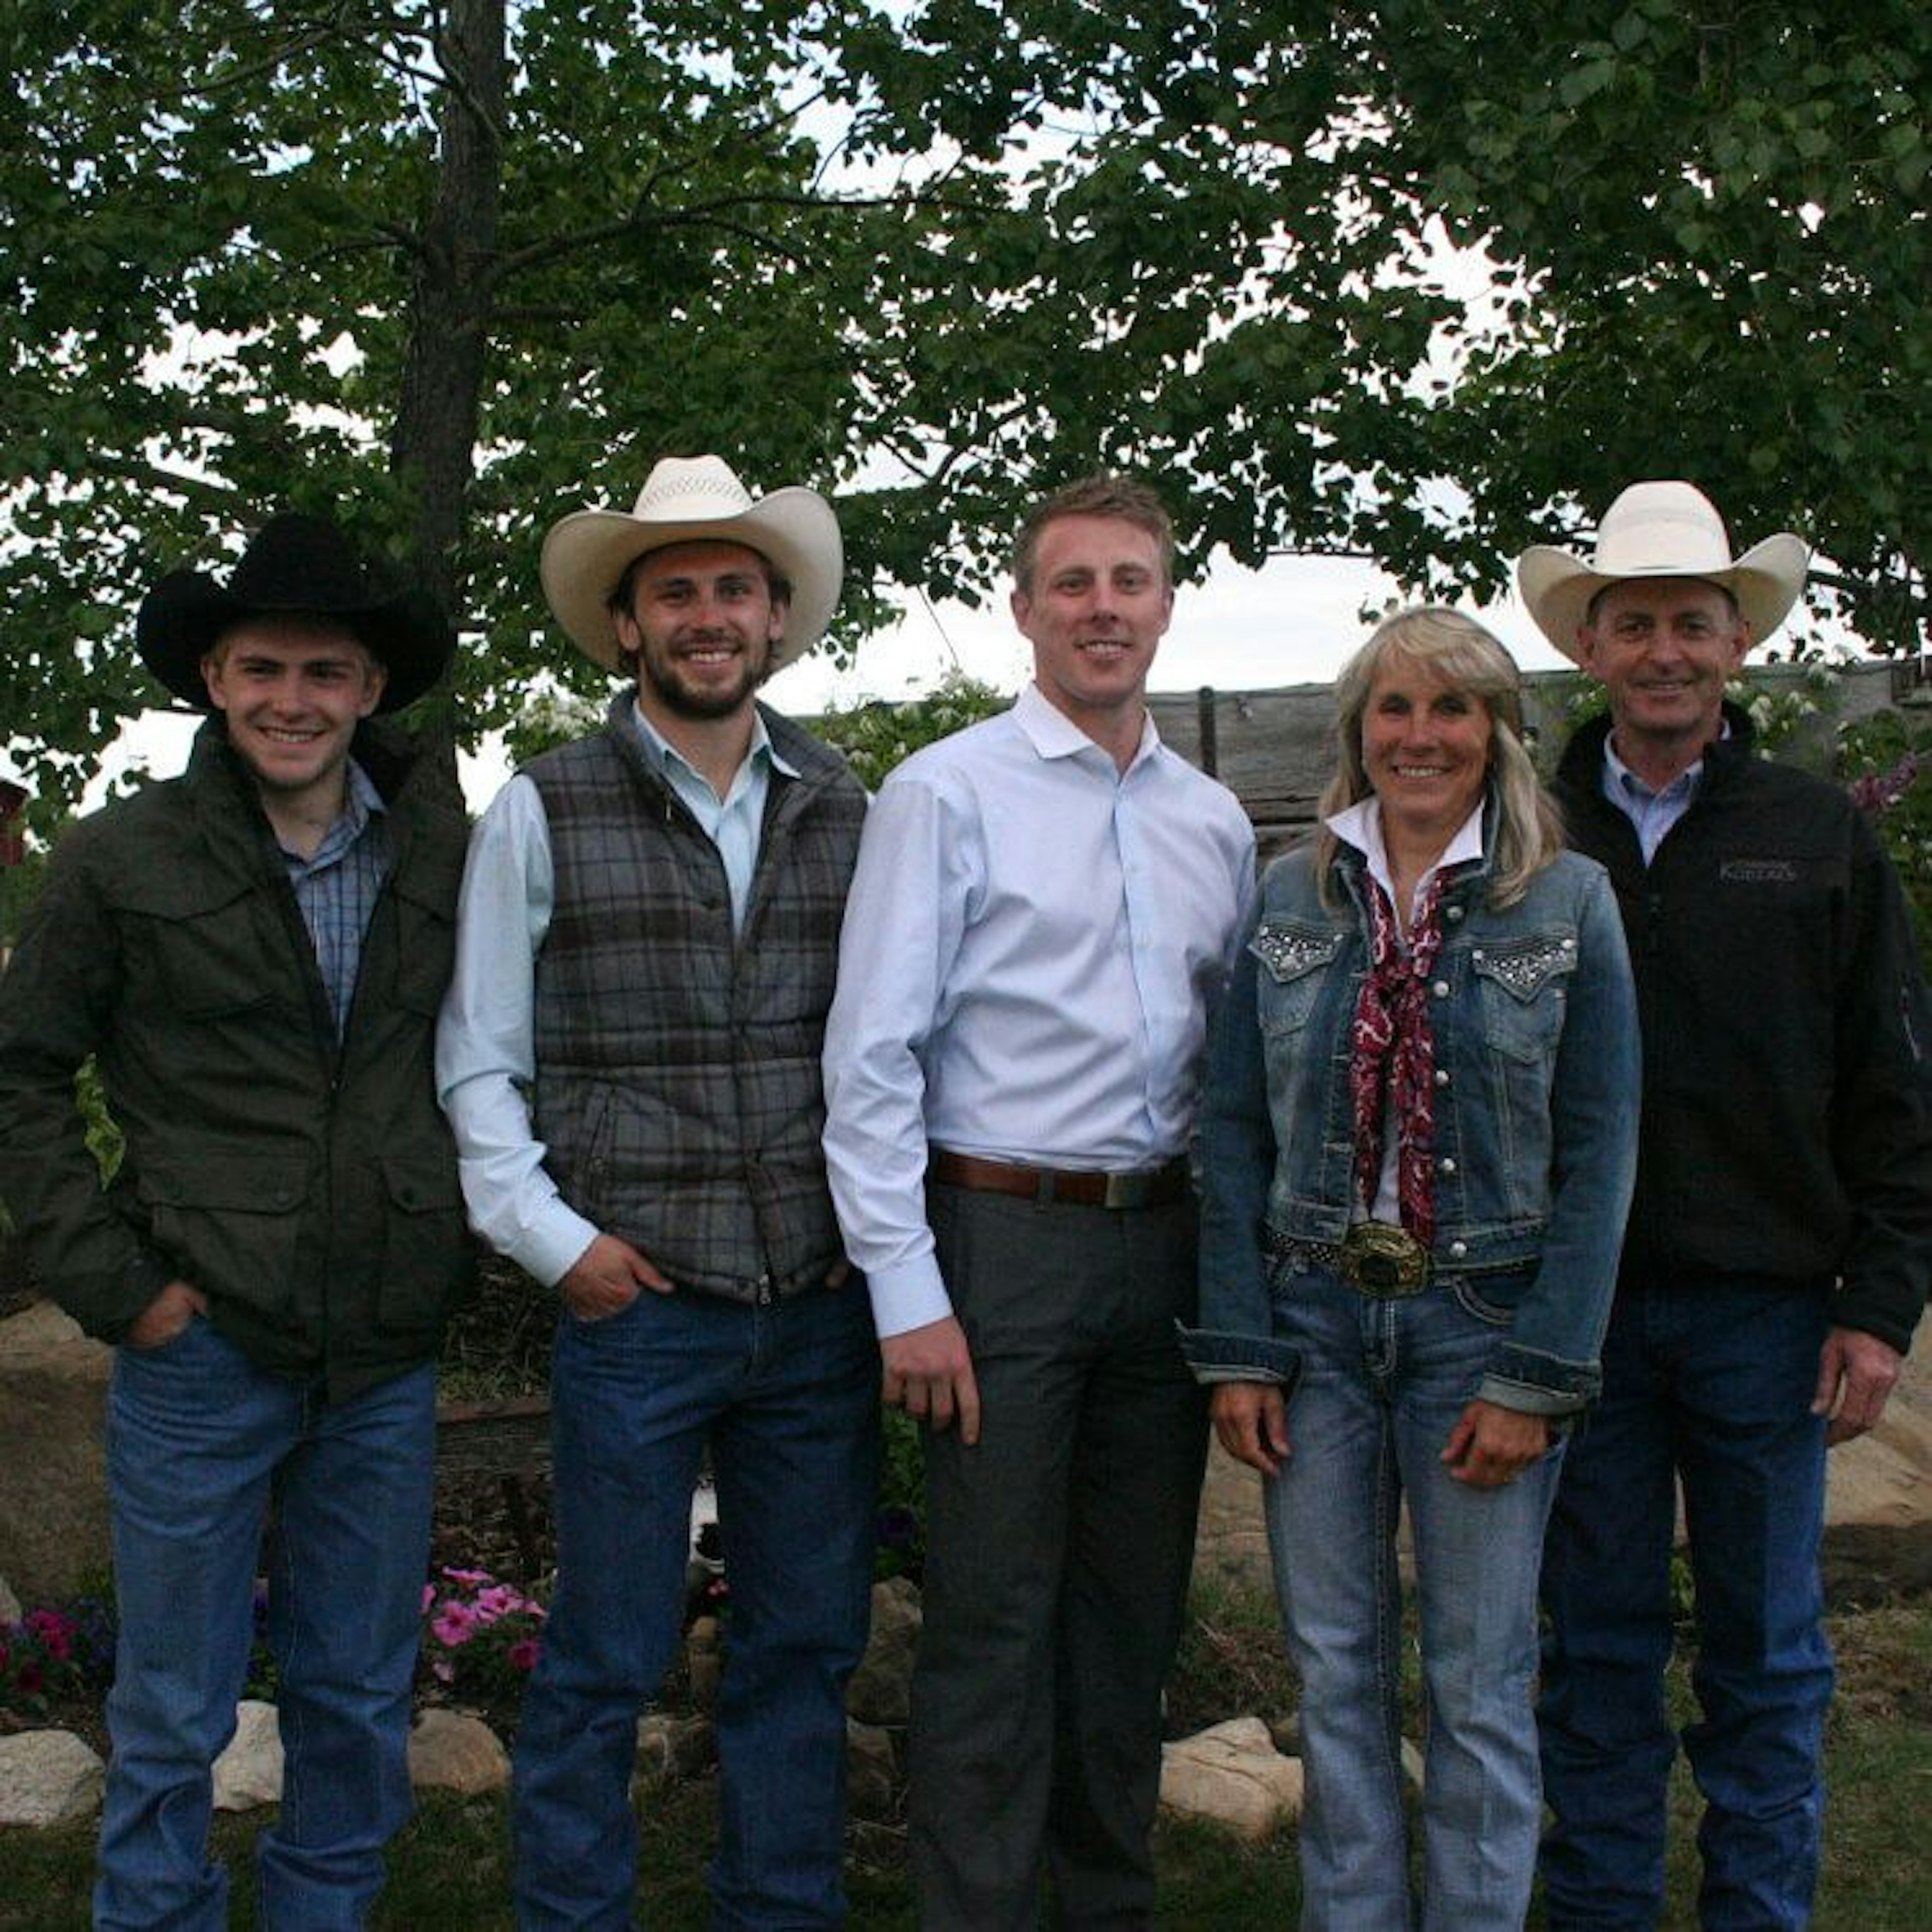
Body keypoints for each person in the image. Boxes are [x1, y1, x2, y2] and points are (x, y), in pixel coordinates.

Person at [0, 512, 470, 1929]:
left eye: (325, 673)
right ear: (214, 677)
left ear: (370, 690)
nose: (293, 700)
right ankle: (157, 1914)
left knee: (354, 1689)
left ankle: (324, 1911)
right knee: (173, 1701)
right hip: (199, 1344)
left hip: (382, 1351)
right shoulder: (121, 857)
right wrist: (119, 1285)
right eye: (263, 668)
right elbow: (20, 1072)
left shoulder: (446, 848)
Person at [436, 453, 877, 1929]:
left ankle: (781, 1907)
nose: (706, 614)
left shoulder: (847, 804)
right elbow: (478, 1067)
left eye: (732, 588)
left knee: (805, 1649)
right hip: (641, 1312)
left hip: (817, 1315)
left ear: (774, 615)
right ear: (626, 627)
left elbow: (888, 1052)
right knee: (607, 1654)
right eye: (674, 591)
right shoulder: (542, 808)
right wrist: (562, 1251)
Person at [821, 474, 1255, 1930]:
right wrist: (910, 1292)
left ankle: (1102, 1905)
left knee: (1127, 1618)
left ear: (1168, 604)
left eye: (1130, 581)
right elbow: (871, 1058)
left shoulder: (1214, 823)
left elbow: (1235, 1069)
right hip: (999, 1247)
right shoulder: (945, 791)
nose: (1103, 609)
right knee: (996, 1622)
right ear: (1024, 610)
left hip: (1167, 1248)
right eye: (1073, 584)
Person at [1186, 607, 1640, 1929]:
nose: (1421, 735)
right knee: (1333, 1674)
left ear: (1497, 731)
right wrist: (1241, 1349)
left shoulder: (1566, 899)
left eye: (1452, 709)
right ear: (1359, 732)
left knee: (1481, 1680)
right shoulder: (1290, 894)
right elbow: (1230, 1128)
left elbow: (1603, 1151)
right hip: (1315, 1319)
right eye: (1395, 709)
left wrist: (1540, 1371)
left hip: (1479, 1324)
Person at [1520, 480, 1932, 1929]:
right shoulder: (1530, 829)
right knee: (1598, 1644)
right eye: (1634, 625)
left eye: (1692, 624)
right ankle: (1603, 1910)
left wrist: (1879, 1310)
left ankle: (1760, 1913)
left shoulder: (1815, 832)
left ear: (1737, 645)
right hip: (1578, 1320)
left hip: (1768, 1316)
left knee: (1768, 1651)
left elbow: (1893, 1086)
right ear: (1592, 647)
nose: (1665, 652)